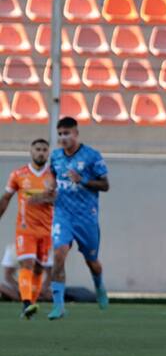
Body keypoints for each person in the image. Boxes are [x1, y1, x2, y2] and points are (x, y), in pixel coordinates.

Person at [48, 117, 110, 320]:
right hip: (62, 215)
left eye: (67, 133)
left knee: (92, 262)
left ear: (76, 133)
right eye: (60, 134)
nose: (63, 138)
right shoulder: (55, 156)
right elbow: (52, 177)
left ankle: (99, 285)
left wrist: (82, 180)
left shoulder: (92, 156)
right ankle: (59, 305)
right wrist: (50, 188)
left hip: (86, 218)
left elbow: (105, 185)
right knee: (59, 254)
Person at [0, 139, 55, 319]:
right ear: (31, 152)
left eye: (44, 150)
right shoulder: (18, 174)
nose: (40, 153)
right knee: (27, 263)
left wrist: (42, 198)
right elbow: (6, 197)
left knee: (39, 268)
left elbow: (59, 199)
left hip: (47, 229)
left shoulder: (54, 175)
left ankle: (31, 302)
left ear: (48, 153)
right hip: (25, 229)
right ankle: (26, 304)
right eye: (37, 149)